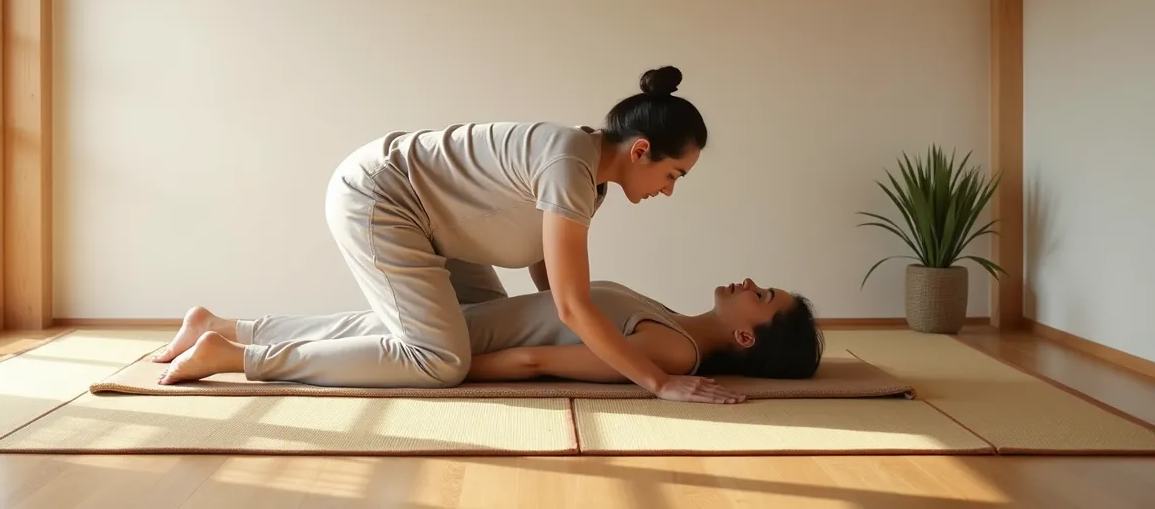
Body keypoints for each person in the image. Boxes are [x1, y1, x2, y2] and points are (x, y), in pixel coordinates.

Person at [153, 66, 733, 402]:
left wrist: (556, 326)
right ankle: (240, 355)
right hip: (382, 198)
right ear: (640, 150)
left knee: (479, 331)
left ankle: (221, 326)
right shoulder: (571, 165)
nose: (669, 189)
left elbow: (547, 272)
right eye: (672, 174)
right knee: (440, 359)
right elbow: (572, 303)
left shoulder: (588, 175)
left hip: (429, 223)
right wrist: (657, 382)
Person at [151, 277, 824, 398]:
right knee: (354, 326)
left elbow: (540, 361)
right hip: (475, 317)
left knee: (370, 342)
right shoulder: (665, 315)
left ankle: (235, 355)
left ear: (745, 336)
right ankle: (218, 328)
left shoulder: (673, 351)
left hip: (470, 337)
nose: (748, 281)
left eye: (763, 297)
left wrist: (452, 368)